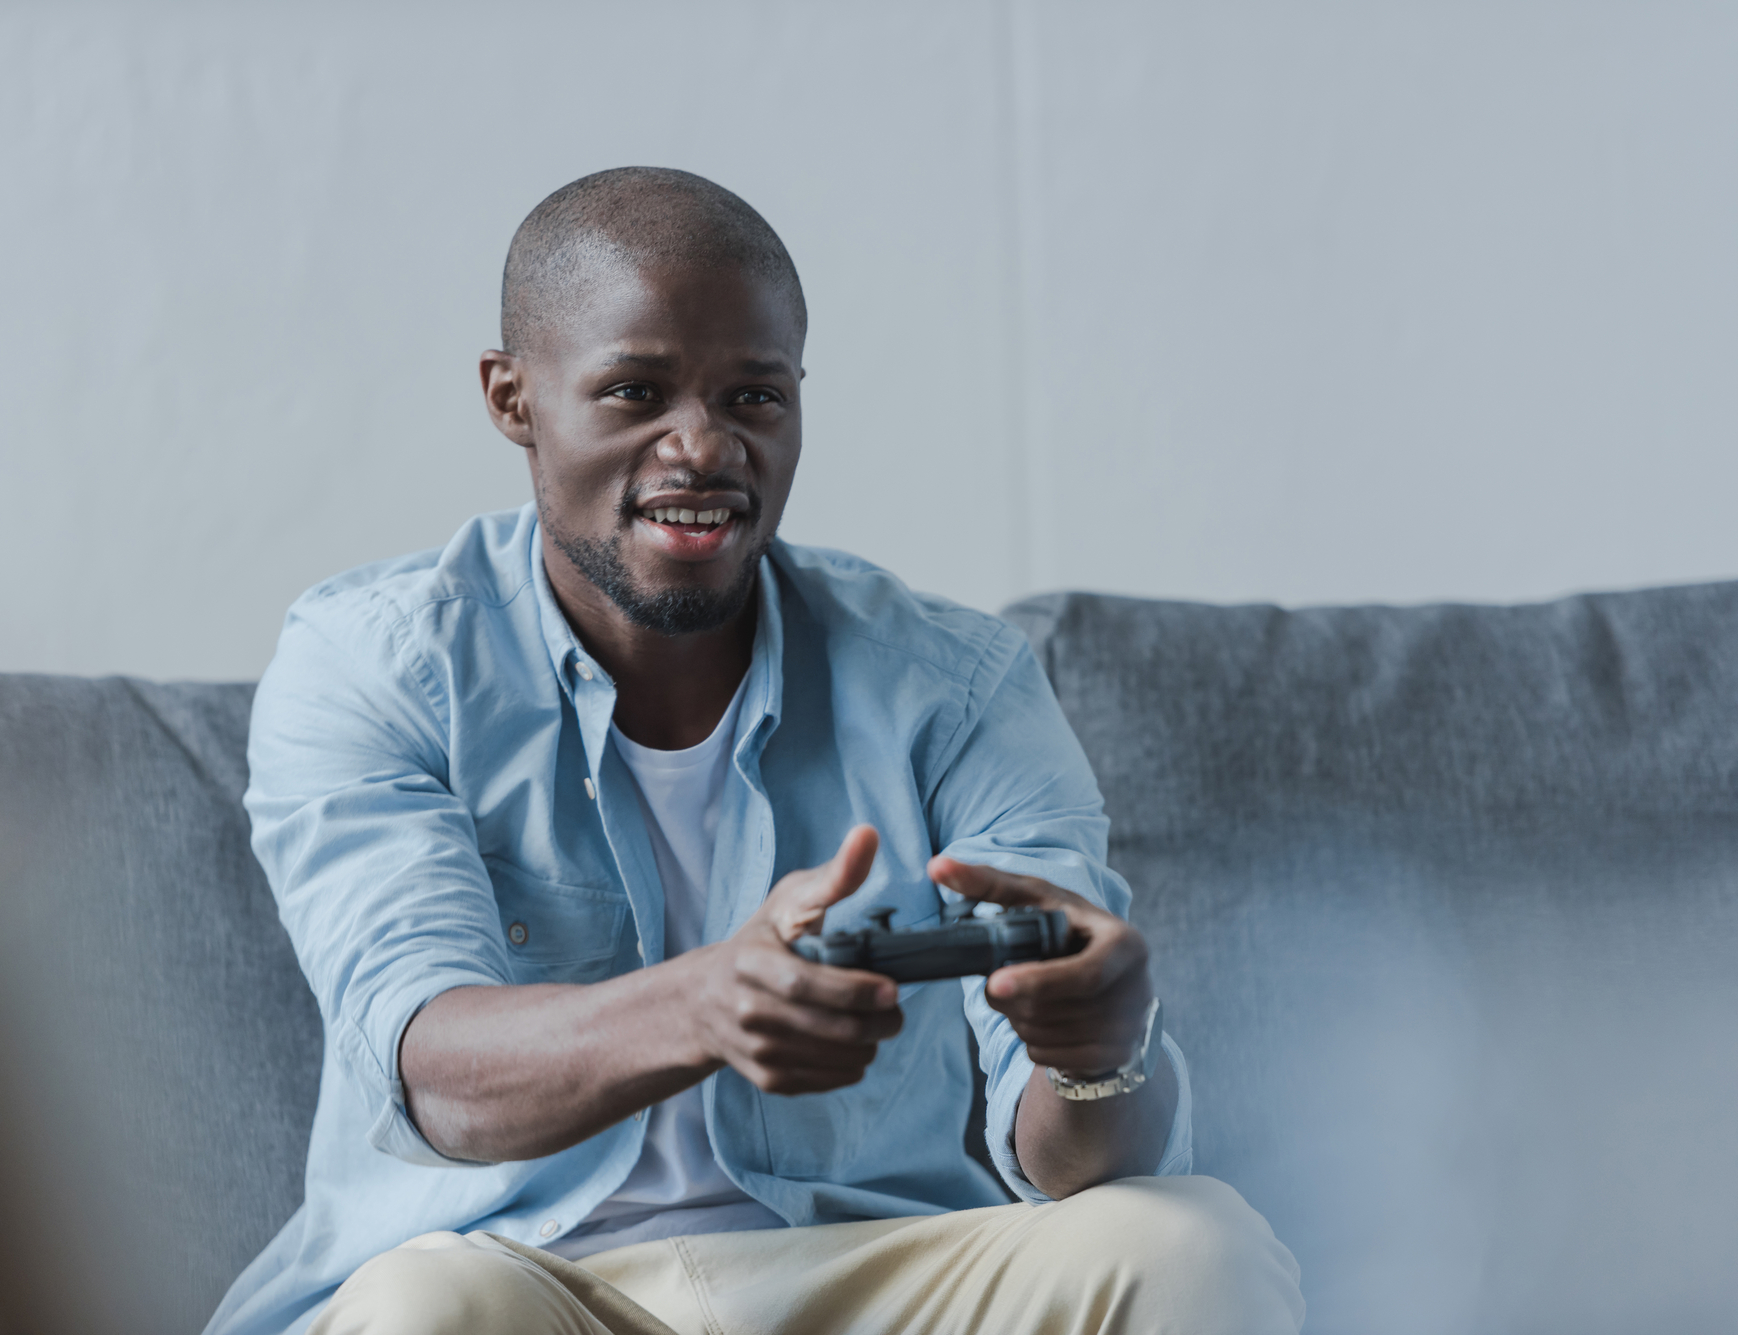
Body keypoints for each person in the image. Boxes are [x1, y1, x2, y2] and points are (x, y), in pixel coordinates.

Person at [207, 167, 1302, 1335]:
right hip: (521, 1279)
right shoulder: (372, 663)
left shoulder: (955, 684)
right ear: (511, 395)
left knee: (1190, 1245)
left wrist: (1097, 1056)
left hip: (865, 1270)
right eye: (634, 392)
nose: (701, 446)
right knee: (427, 1310)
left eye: (753, 398)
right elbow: (430, 1074)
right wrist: (702, 1005)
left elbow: (1077, 1161)